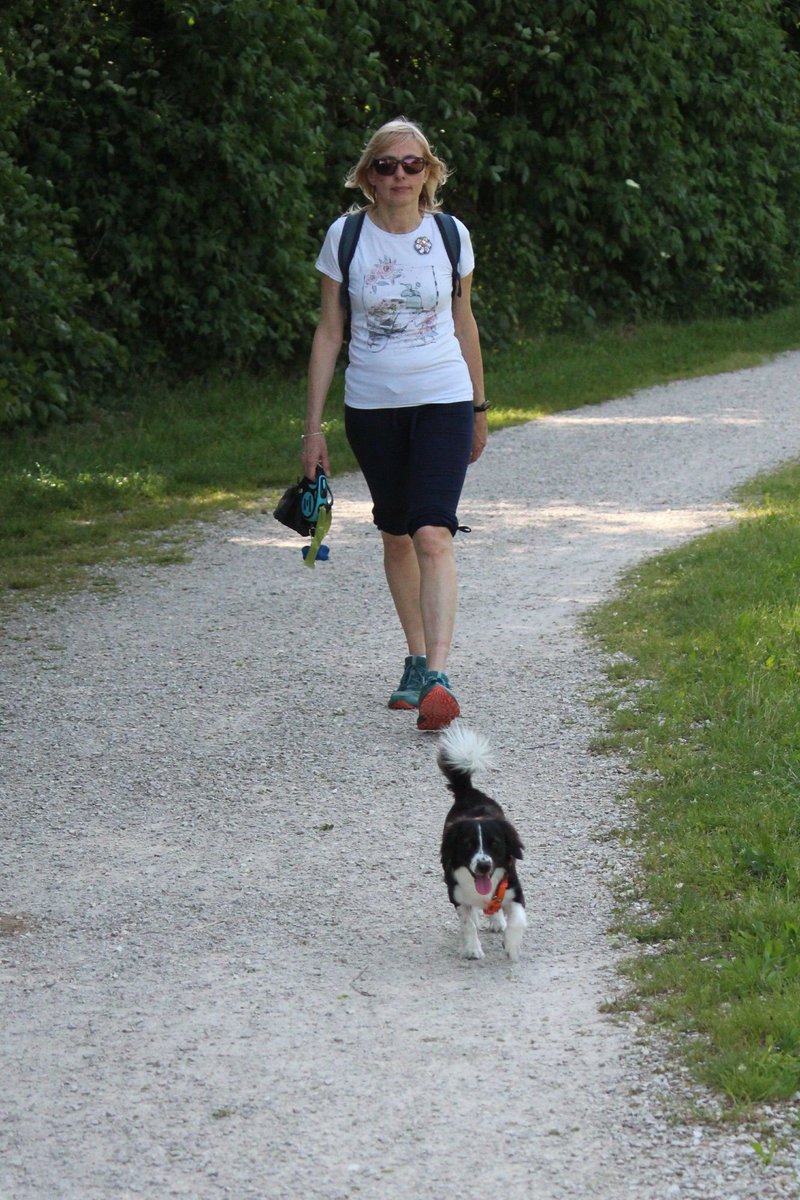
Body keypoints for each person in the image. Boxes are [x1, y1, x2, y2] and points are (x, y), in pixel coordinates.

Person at [302, 117, 488, 732]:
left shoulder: (450, 235)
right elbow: (330, 332)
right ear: (368, 176)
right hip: (372, 408)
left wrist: (480, 409)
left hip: (444, 399)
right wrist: (313, 429)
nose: (400, 175)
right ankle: (413, 658)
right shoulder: (346, 237)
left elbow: (464, 324)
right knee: (396, 533)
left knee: (433, 531)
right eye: (386, 165)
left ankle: (437, 676)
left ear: (429, 172)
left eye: (412, 164)